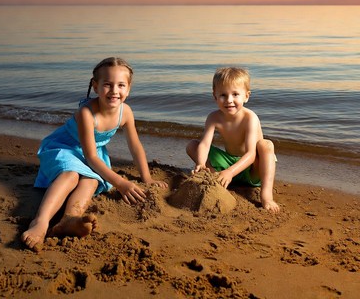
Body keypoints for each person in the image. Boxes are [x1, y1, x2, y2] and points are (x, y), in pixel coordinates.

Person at [21, 57, 168, 250]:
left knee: (91, 180)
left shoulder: (126, 112)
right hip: (65, 148)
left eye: (121, 85)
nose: (115, 91)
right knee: (71, 175)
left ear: (129, 89)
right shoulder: (87, 113)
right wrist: (121, 183)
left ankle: (69, 219)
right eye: (108, 84)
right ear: (96, 86)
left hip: (92, 152)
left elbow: (135, 146)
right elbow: (90, 157)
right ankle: (40, 221)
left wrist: (146, 178)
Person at [186, 67, 280, 213]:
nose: (229, 100)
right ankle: (214, 177)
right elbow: (205, 144)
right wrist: (200, 163)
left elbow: (251, 154)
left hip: (252, 169)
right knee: (193, 145)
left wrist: (230, 172)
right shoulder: (213, 117)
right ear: (214, 96)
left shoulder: (250, 118)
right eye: (223, 95)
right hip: (228, 164)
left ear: (246, 96)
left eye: (235, 94)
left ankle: (266, 195)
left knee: (266, 145)